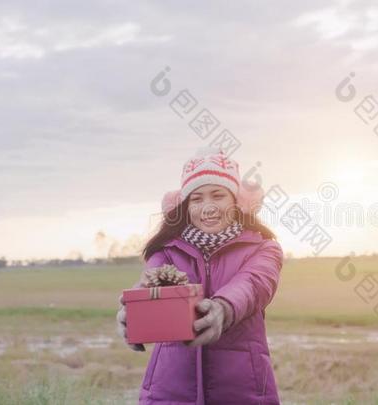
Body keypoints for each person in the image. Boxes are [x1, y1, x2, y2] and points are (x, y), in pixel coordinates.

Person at [116, 147, 283, 404]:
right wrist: (133, 310)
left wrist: (222, 309)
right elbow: (151, 280)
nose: (208, 207)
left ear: (236, 201)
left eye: (218, 195)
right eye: (196, 199)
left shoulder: (263, 248)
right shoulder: (166, 250)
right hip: (170, 392)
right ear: (184, 205)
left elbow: (253, 284)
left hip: (242, 390)